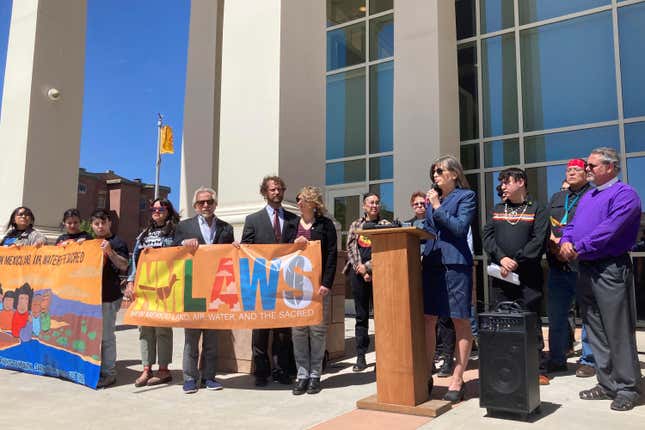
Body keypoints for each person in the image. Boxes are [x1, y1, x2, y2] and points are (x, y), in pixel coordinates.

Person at [560, 147, 642, 411]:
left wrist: (578, 246)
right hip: (586, 268)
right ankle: (607, 384)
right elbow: (571, 225)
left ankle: (628, 387)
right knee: (595, 328)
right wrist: (565, 241)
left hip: (610, 268)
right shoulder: (588, 197)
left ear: (610, 167)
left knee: (617, 329)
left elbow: (610, 229)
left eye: (592, 166)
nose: (587, 170)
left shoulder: (625, 194)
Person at [482, 168, 550, 386]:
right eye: (501, 182)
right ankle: (506, 363)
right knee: (502, 319)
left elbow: (539, 240)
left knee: (531, 319)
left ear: (520, 182)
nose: (502, 186)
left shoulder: (537, 209)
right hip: (501, 275)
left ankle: (537, 367)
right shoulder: (498, 208)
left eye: (506, 182)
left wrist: (516, 261)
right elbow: (487, 237)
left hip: (528, 275)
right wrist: (502, 258)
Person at [422, 155, 477, 403]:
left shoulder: (466, 197)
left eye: (440, 171)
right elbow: (428, 229)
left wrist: (436, 207)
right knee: (428, 318)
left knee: (460, 320)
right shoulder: (434, 200)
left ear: (454, 174)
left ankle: (457, 378)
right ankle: (425, 374)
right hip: (432, 263)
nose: (435, 176)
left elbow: (458, 228)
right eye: (433, 172)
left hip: (455, 264)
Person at [174, 187, 235, 394]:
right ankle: (190, 378)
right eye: (201, 203)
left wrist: (235, 249)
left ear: (215, 204)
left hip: (216, 290)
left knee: (212, 338)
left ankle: (209, 377)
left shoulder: (226, 228)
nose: (206, 205)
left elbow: (229, 259)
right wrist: (183, 243)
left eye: (209, 202)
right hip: (193, 288)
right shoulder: (184, 226)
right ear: (195, 206)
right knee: (191, 339)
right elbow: (172, 251)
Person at [241, 176, 298, 387]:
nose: (276, 192)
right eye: (272, 189)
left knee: (283, 332)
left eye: (280, 189)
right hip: (261, 283)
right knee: (260, 332)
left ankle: (281, 370)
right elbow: (246, 248)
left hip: (285, 282)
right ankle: (261, 372)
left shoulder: (293, 220)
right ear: (265, 192)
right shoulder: (253, 220)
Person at [545, 159, 595, 377]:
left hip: (583, 264)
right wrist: (553, 244)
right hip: (557, 264)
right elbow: (547, 223)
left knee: (589, 315)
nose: (571, 172)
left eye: (576, 169)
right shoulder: (557, 197)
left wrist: (572, 248)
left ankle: (589, 360)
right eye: (568, 170)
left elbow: (594, 226)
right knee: (556, 315)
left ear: (586, 173)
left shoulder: (594, 196)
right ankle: (557, 358)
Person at [124, 198, 180, 387]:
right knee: (144, 329)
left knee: (162, 328)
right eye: (153, 208)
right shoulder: (144, 234)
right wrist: (131, 282)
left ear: (168, 211)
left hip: (164, 287)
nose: (156, 211)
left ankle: (163, 370)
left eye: (161, 208)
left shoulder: (176, 232)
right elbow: (135, 259)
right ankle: (146, 368)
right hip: (144, 287)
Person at [291, 186, 337, 396]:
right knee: (299, 331)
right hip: (294, 287)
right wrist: (293, 245)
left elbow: (331, 256)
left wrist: (326, 283)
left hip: (318, 286)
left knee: (317, 331)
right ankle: (302, 374)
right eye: (298, 199)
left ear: (312, 202)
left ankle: (315, 374)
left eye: (302, 199)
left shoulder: (326, 225)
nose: (299, 203)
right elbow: (280, 252)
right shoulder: (291, 225)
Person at [408, 191, 456, 377]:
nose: (420, 206)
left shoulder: (437, 219)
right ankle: (431, 357)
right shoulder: (408, 225)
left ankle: (447, 358)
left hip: (439, 268)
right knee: (427, 318)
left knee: (444, 318)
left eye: (423, 203)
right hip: (417, 273)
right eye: (417, 204)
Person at [345, 193, 390, 372]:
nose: (374, 205)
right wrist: (359, 268)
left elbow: (386, 248)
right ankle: (361, 356)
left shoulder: (385, 225)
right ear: (364, 206)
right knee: (361, 316)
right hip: (358, 276)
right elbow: (350, 246)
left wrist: (369, 267)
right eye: (371, 202)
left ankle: (383, 356)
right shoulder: (356, 225)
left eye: (377, 202)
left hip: (380, 274)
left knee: (381, 317)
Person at [90, 209, 129, 389]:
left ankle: (109, 373)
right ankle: (95, 368)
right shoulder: (90, 244)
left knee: (106, 337)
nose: (100, 226)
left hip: (108, 296)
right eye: (96, 223)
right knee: (92, 336)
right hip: (90, 297)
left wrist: (110, 252)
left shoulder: (117, 242)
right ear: (92, 225)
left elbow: (124, 265)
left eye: (103, 223)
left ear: (109, 223)